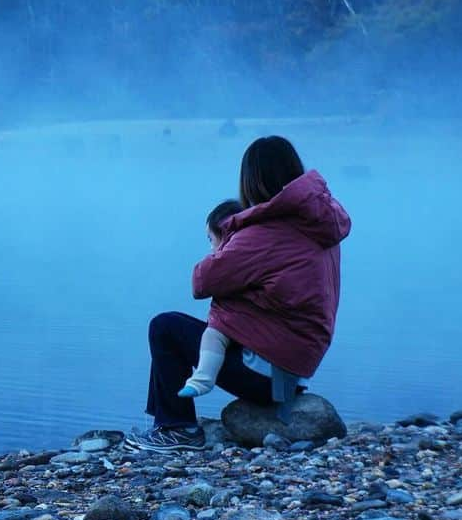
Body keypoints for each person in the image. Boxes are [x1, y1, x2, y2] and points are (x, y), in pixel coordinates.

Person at [128, 135, 351, 452]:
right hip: (295, 371)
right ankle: (166, 421)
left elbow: (202, 282)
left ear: (251, 181)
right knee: (182, 327)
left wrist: (230, 234)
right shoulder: (319, 225)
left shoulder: (266, 233)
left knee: (165, 327)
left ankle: (178, 429)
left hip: (267, 375)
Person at [176, 198, 243, 400]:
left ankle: (202, 380)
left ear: (224, 235)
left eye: (211, 240)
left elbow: (200, 284)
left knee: (212, 333)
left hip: (252, 351)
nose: (211, 248)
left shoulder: (237, 257)